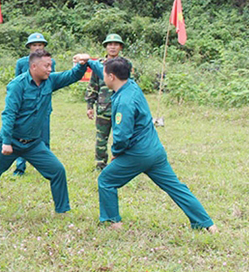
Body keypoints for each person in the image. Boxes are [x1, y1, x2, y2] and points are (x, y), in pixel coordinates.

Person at [92, 57, 218, 232]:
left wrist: (115, 153)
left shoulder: (124, 102)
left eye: (104, 74)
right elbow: (104, 69)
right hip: (155, 151)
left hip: (138, 154)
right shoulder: (131, 86)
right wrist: (89, 61)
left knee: (106, 180)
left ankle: (113, 222)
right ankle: (206, 223)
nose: (102, 76)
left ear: (112, 77)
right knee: (175, 187)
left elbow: (122, 137)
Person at [0, 50, 92, 215]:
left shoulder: (50, 81)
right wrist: (5, 142)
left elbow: (72, 76)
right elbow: (9, 114)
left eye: (51, 65)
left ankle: (62, 211)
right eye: (46, 66)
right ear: (33, 66)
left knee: (57, 171)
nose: (50, 69)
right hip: (11, 141)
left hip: (33, 143)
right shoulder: (17, 85)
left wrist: (82, 64)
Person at [13, 32, 56, 177]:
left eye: (40, 45)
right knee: (21, 138)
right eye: (34, 45)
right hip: (25, 109)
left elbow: (52, 81)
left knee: (44, 138)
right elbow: (16, 84)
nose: (37, 48)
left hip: (43, 107)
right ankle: (20, 168)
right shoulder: (21, 63)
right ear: (29, 47)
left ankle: (47, 168)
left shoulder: (51, 62)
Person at [85, 33, 125, 171]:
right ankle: (100, 165)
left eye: (115, 44)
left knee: (121, 138)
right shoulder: (99, 65)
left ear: (120, 47)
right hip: (103, 108)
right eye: (110, 44)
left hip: (121, 109)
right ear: (106, 47)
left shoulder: (125, 65)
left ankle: (119, 165)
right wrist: (90, 105)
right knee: (101, 139)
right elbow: (93, 85)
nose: (112, 47)